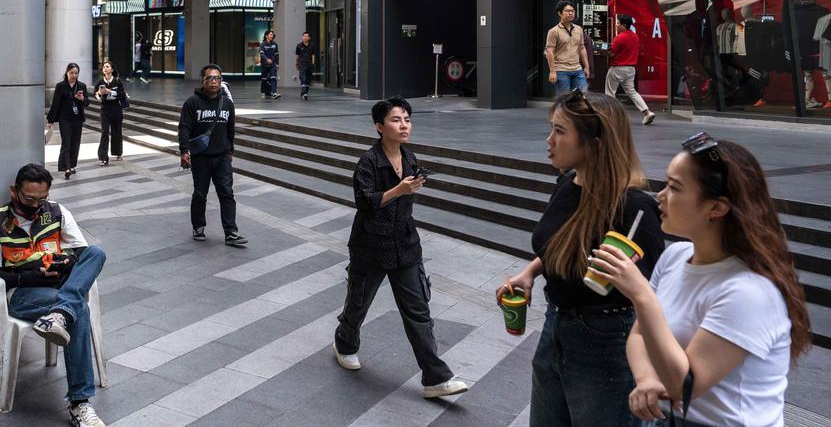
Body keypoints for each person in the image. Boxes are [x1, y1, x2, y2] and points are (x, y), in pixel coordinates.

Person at [588, 133, 811, 427]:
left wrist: (641, 294)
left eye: (674, 187)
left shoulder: (747, 291)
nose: (661, 195)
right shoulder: (675, 256)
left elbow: (685, 386)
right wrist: (646, 379)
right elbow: (640, 335)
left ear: (716, 208)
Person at [495, 90, 666, 426]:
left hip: (605, 338)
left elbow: (656, 294)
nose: (549, 140)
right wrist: (531, 272)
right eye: (551, 128)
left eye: (560, 131)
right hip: (555, 328)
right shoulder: (567, 183)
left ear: (596, 142)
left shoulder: (633, 209)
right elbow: (567, 241)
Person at [334, 97, 469, 399]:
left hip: (405, 245)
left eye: (407, 119)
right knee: (358, 304)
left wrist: (410, 187)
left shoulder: (409, 157)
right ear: (380, 127)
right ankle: (344, 342)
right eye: (396, 119)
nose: (404, 124)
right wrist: (399, 190)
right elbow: (365, 202)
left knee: (418, 311)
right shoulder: (368, 161)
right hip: (370, 246)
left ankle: (435, 377)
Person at [0, 163, 109, 427]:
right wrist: (33, 276)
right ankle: (79, 403)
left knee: (97, 253)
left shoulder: (58, 212)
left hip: (60, 287)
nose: (35, 205)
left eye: (42, 199)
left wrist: (64, 263)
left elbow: (82, 253)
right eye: (29, 199)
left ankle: (60, 313)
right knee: (79, 310)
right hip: (24, 295)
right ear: (15, 192)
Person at [178, 64, 246, 246]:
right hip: (201, 157)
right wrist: (184, 150)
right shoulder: (192, 102)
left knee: (227, 193)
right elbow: (184, 127)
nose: (214, 81)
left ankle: (231, 232)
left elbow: (231, 128)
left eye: (217, 78)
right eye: (210, 78)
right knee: (200, 194)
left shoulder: (227, 104)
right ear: (203, 81)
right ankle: (198, 226)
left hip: (222, 157)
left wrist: (230, 149)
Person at [606, 14, 657, 125]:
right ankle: (647, 112)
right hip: (631, 69)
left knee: (610, 93)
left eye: (618, 23)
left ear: (624, 25)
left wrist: (603, 51)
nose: (616, 25)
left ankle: (610, 116)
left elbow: (611, 52)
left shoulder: (619, 37)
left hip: (617, 68)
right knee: (632, 92)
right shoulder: (635, 36)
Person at [46, 63, 88, 180]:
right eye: (71, 73)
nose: (74, 75)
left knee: (75, 143)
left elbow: (87, 103)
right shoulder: (61, 86)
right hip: (64, 119)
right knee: (66, 142)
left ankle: (72, 165)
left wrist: (82, 98)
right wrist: (50, 120)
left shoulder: (81, 86)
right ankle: (66, 168)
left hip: (77, 119)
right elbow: (55, 104)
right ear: (67, 73)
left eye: (76, 73)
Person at [545, 0, 590, 94]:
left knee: (583, 97)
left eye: (572, 11)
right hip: (561, 70)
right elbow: (550, 51)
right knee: (564, 100)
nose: (571, 13)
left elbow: (582, 48)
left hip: (578, 69)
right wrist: (552, 71)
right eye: (567, 11)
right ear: (559, 13)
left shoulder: (578, 29)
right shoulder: (553, 31)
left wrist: (586, 66)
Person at [94, 61, 126, 166]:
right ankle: (103, 157)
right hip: (105, 110)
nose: (105, 68)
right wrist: (99, 93)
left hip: (116, 109)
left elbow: (122, 94)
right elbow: (96, 95)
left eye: (107, 67)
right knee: (105, 132)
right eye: (104, 67)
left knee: (117, 131)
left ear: (112, 69)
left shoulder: (117, 81)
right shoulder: (100, 82)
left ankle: (118, 152)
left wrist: (110, 92)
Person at [258, 30, 281, 99]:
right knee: (264, 79)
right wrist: (267, 59)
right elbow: (261, 54)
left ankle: (274, 93)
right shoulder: (263, 44)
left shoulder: (275, 44)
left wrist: (277, 63)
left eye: (272, 35)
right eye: (270, 34)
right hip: (264, 65)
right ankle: (263, 92)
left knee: (273, 78)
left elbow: (277, 54)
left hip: (273, 64)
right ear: (266, 36)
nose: (272, 36)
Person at [295, 31, 317, 100]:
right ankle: (304, 93)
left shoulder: (312, 45)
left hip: (309, 65)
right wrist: (297, 64)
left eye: (307, 36)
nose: (305, 37)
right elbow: (297, 56)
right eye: (304, 36)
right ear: (302, 37)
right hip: (302, 65)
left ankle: (304, 93)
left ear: (309, 38)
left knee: (307, 80)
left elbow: (313, 55)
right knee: (303, 78)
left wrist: (313, 63)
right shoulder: (299, 45)